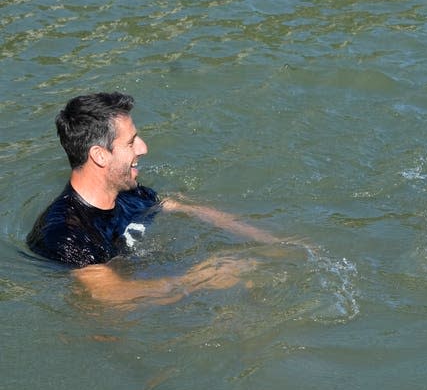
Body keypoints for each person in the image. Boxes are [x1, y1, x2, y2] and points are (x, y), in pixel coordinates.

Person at [27, 92, 279, 305]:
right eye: (131, 142)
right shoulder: (65, 234)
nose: (143, 148)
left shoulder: (129, 194)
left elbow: (182, 206)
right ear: (100, 156)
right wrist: (202, 278)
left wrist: (274, 242)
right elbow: (111, 297)